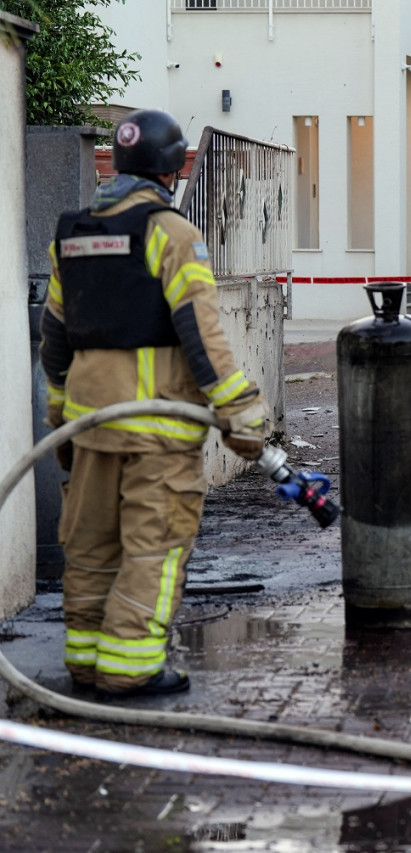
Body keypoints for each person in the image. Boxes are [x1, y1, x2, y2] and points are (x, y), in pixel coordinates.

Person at [40, 109, 269, 698]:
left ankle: (87, 663)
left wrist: (59, 414)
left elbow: (57, 336)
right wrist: (242, 415)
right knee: (156, 545)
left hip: (92, 422)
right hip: (159, 425)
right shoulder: (170, 231)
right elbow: (202, 334)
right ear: (173, 170)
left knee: (90, 546)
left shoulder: (73, 231)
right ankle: (131, 667)